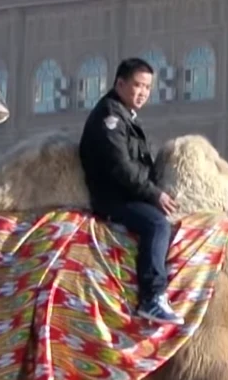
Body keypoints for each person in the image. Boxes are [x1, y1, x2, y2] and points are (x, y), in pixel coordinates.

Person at [78, 57, 182, 325]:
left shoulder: (124, 116)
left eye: (147, 87)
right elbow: (121, 167)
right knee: (157, 224)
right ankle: (152, 297)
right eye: (137, 85)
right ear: (120, 83)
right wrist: (154, 194)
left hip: (127, 194)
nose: (143, 93)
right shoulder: (110, 118)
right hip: (113, 199)